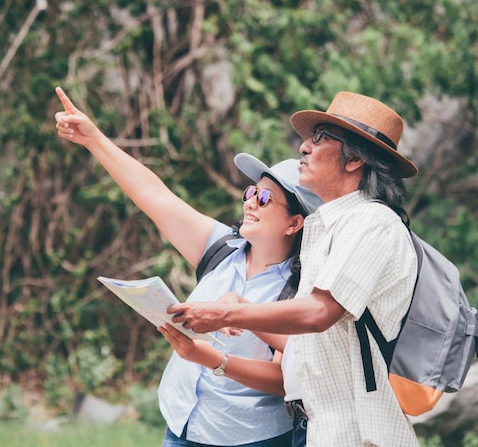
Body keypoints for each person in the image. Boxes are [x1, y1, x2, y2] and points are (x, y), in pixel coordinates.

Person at [53, 86, 322, 447]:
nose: (250, 203)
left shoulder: (301, 289)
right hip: (181, 425)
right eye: (249, 192)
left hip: (247, 438)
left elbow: (284, 379)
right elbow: (154, 195)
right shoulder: (221, 247)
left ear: (295, 223)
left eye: (264, 198)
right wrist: (94, 139)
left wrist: (214, 360)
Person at [169, 91, 421, 446]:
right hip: (319, 428)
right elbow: (311, 343)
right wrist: (241, 310)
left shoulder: (374, 223)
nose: (303, 147)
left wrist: (228, 314)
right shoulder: (331, 226)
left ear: (355, 161)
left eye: (320, 139)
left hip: (358, 433)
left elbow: (318, 313)